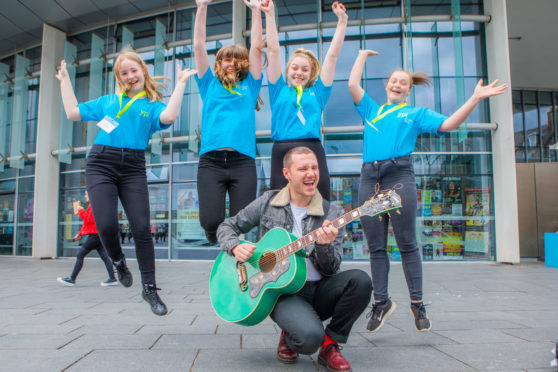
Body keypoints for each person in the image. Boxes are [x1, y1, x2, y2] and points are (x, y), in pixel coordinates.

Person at [348, 49, 508, 332]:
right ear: (387, 85)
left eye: (404, 83)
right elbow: (352, 85)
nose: (398, 85)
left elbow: (448, 124)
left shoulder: (415, 114)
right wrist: (361, 55)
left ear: (408, 91)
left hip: (398, 177)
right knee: (376, 247)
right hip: (370, 178)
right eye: (394, 81)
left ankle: (417, 303)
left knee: (407, 242)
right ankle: (381, 302)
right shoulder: (373, 109)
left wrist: (474, 99)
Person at [56, 48, 197, 316]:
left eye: (134, 70)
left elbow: (169, 117)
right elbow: (73, 113)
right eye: (124, 73)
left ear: (142, 71)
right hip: (100, 163)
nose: (130, 75)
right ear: (119, 78)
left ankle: (150, 289)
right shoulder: (108, 101)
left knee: (142, 228)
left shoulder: (151, 106)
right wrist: (64, 80)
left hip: (133, 166)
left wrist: (179, 84)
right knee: (106, 225)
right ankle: (119, 261)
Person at [217, 146, 372, 372]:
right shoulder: (268, 202)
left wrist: (324, 246)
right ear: (287, 174)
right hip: (283, 293)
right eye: (303, 168)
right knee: (308, 340)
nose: (311, 173)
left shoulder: (332, 212)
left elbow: (332, 268)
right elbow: (227, 226)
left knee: (361, 281)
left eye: (314, 167)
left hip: (320, 288)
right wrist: (235, 245)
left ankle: (330, 345)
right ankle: (290, 330)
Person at [262, 0, 348, 201]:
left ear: (311, 74)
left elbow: (332, 56)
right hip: (282, 148)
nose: (299, 73)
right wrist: (269, 14)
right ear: (287, 71)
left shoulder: (318, 92)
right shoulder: (278, 90)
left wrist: (342, 22)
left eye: (304, 69)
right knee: (279, 203)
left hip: (312, 147)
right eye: (295, 68)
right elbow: (273, 51)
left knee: (320, 199)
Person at [194, 0, 263, 245]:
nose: (231, 63)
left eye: (236, 59)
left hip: (243, 161)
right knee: (210, 221)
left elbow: (256, 47)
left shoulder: (250, 85)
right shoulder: (208, 83)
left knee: (242, 221)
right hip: (211, 162)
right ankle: (216, 237)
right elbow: (199, 46)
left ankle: (235, 263)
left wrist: (256, 11)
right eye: (226, 59)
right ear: (219, 63)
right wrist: (202, 7)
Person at [57, 190, 117, 287]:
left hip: (95, 236)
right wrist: (80, 233)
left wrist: (80, 210)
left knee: (80, 255)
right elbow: (88, 224)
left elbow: (89, 220)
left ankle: (72, 279)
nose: (85, 196)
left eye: (86, 194)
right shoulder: (95, 204)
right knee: (105, 257)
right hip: (97, 235)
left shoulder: (94, 205)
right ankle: (112, 278)